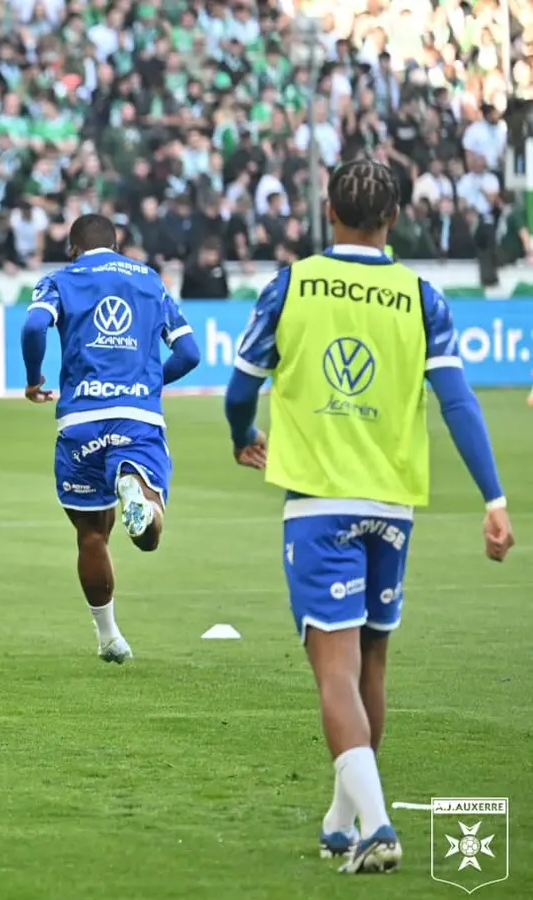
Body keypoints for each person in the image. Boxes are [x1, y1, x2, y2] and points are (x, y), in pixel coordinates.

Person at [225, 159, 513, 874]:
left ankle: (378, 827)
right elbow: (457, 404)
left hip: (320, 504)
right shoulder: (419, 296)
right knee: (372, 661)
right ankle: (343, 818)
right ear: (395, 220)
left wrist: (242, 435)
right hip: (392, 504)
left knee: (333, 672)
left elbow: (240, 388)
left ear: (329, 212)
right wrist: (494, 499)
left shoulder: (292, 284)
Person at [19, 213, 201, 663]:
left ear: (73, 248)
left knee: (91, 533)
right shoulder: (149, 279)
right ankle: (134, 487)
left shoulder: (61, 279)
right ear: (118, 246)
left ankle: (108, 637)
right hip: (135, 414)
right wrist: (150, 383)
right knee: (148, 536)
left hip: (80, 419)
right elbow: (189, 353)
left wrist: (33, 378)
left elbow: (32, 327)